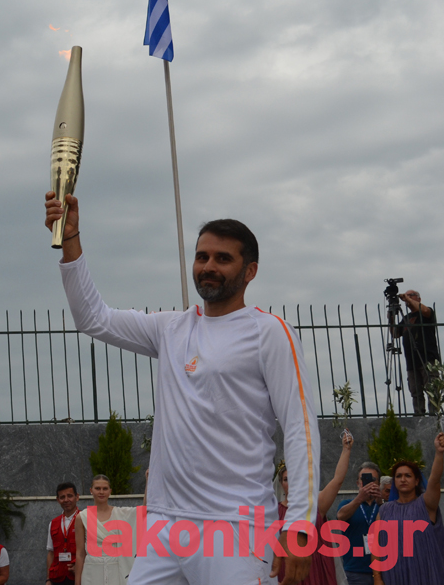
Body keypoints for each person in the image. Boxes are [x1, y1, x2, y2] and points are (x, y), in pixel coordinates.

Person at [45, 195, 321, 585]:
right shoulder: (171, 329)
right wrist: (70, 238)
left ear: (250, 271)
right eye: (202, 257)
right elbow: (93, 318)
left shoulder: (270, 333)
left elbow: (300, 428)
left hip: (236, 527)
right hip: (165, 524)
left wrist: (300, 526)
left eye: (223, 258)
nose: (208, 266)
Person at [275, 431, 354, 585]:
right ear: (281, 484)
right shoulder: (274, 511)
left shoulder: (316, 505)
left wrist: (346, 450)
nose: (291, 483)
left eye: (295, 478)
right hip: (286, 571)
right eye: (286, 479)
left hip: (314, 570)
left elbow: (337, 480)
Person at [372, 433, 444, 585]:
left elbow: (435, 480)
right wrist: (377, 577)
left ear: (417, 481)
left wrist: (439, 453)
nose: (403, 479)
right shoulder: (384, 510)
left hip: (425, 575)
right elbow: (376, 545)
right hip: (394, 575)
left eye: (408, 476)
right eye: (398, 476)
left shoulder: (426, 504)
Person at [75, 474, 138, 585]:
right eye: (97, 488)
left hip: (115, 571)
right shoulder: (82, 517)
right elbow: (80, 553)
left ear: (110, 491)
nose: (101, 492)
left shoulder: (121, 514)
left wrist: (149, 481)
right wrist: (77, 582)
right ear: (91, 490)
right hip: (91, 573)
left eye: (105, 488)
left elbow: (144, 510)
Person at [391, 290, 440, 415]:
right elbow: (395, 334)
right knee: (415, 391)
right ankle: (419, 415)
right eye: (406, 295)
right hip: (412, 361)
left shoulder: (426, 312)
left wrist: (406, 299)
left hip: (428, 358)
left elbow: (425, 310)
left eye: (410, 295)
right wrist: (391, 317)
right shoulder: (406, 318)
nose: (407, 298)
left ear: (418, 298)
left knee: (432, 389)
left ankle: (434, 415)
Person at [336, 460, 383, 585]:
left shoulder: (383, 506)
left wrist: (380, 502)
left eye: (373, 479)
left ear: (378, 484)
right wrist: (359, 499)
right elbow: (340, 517)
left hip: (382, 569)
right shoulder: (347, 504)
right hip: (355, 571)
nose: (368, 483)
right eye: (364, 479)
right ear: (358, 483)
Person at [47, 482, 80, 585]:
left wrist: (81, 566)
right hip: (57, 578)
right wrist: (48, 579)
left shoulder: (85, 519)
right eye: (62, 497)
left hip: (78, 577)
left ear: (77, 497)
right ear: (58, 500)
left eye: (70, 496)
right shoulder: (53, 523)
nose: (66, 500)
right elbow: (51, 553)